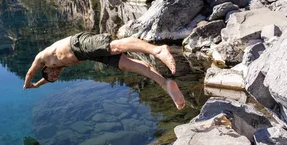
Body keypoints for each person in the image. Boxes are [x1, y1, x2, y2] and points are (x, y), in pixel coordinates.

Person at [23, 32, 186, 110]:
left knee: (115, 46)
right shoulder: (57, 66)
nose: (55, 75)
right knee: (128, 65)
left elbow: (30, 72)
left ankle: (157, 50)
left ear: (45, 69)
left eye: (52, 74)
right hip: (89, 55)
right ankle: (166, 85)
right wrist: (38, 85)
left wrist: (28, 84)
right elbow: (46, 79)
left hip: (79, 44)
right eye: (55, 78)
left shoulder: (42, 58)